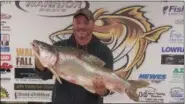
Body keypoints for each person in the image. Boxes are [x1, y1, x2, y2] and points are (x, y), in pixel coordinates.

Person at [34, 8, 114, 104]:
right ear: (73, 24)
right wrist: (39, 58)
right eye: (78, 22)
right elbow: (44, 75)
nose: (81, 26)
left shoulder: (104, 51)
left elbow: (107, 88)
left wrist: (102, 91)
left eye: (86, 23)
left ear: (93, 24)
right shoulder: (59, 47)